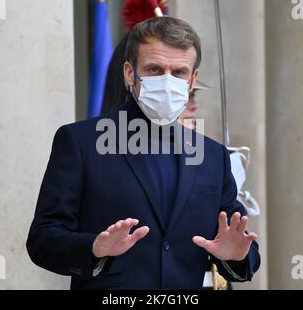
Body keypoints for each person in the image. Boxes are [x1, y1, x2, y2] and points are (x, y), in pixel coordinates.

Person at [26, 16, 260, 290]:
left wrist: (238, 255)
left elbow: (240, 244)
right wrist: (94, 248)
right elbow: (43, 239)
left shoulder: (213, 157)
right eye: (154, 69)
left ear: (192, 78)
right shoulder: (81, 142)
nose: (167, 81)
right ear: (129, 73)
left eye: (179, 72)